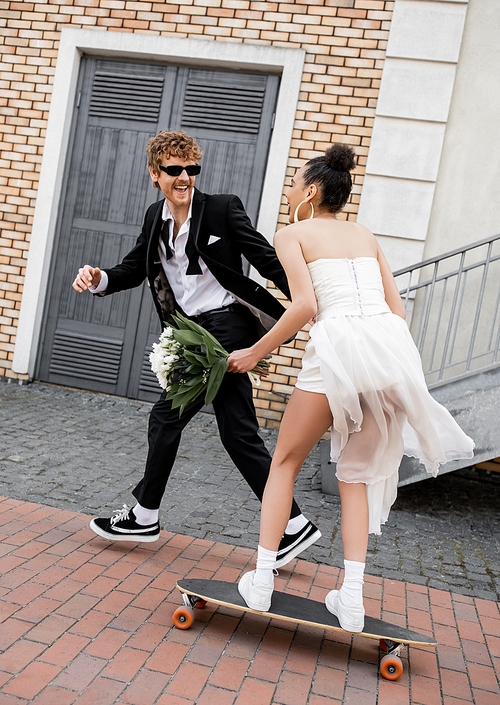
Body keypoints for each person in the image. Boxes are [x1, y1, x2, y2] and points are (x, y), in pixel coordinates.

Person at [227, 143, 474, 632]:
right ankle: (353, 599)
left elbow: (303, 307)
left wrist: (256, 353)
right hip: (387, 354)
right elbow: (397, 311)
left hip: (337, 353)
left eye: (294, 182)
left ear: (313, 191)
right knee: (355, 475)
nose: (289, 189)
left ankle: (260, 582)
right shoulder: (365, 233)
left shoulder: (292, 233)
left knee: (284, 462)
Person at [72, 130, 320, 565]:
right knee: (238, 432)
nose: (184, 177)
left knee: (166, 415)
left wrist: (310, 302)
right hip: (192, 333)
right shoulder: (155, 218)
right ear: (155, 174)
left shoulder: (223, 208)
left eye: (191, 169)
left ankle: (145, 514)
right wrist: (100, 278)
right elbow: (135, 267)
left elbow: (264, 258)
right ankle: (292, 525)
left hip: (227, 328)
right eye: (174, 170)